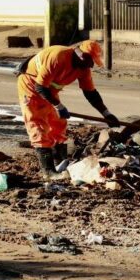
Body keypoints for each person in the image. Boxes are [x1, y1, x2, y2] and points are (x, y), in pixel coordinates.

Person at [16, 40, 120, 178]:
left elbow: (90, 93)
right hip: (31, 85)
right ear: (81, 55)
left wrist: (106, 114)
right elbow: (40, 87)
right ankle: (48, 172)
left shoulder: (83, 68)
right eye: (90, 60)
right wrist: (58, 105)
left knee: (58, 123)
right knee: (38, 124)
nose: (91, 65)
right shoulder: (57, 57)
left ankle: (61, 162)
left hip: (49, 90)